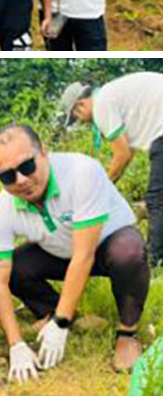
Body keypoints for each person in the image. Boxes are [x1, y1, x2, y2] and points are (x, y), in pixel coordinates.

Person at [0, 124, 148, 379]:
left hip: (105, 246)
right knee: (14, 267)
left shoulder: (82, 172)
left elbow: (84, 256)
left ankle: (127, 333)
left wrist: (61, 322)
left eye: (27, 166)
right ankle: (57, 313)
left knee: (129, 252)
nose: (21, 180)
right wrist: (15, 344)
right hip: (61, 253)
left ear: (44, 153)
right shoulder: (1, 210)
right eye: (7, 176)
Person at [61, 73, 163, 267]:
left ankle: (153, 263)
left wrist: (103, 187)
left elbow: (123, 154)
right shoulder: (111, 94)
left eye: (76, 117)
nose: (81, 122)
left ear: (81, 104)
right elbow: (127, 149)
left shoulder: (101, 105)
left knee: (157, 199)